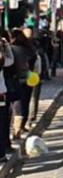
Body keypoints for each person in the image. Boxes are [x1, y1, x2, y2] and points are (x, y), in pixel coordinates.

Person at [9, 29, 36, 140]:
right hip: (28, 78)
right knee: (25, 103)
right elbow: (33, 59)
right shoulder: (28, 48)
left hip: (16, 80)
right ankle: (21, 127)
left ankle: (16, 130)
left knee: (16, 106)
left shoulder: (11, 49)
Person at [0, 32, 15, 162]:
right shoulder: (2, 60)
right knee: (2, 123)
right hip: (1, 96)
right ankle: (1, 153)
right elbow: (10, 60)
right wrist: (7, 46)